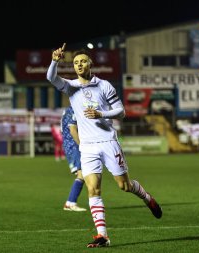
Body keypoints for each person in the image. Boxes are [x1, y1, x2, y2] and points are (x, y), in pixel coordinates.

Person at [47, 43, 162, 248]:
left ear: (90, 63)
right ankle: (103, 236)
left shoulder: (104, 85)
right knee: (93, 189)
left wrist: (101, 114)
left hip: (108, 142)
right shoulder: (71, 87)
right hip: (88, 147)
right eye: (75, 63)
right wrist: (55, 61)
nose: (79, 65)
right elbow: (51, 78)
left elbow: (121, 112)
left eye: (83, 61)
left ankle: (146, 197)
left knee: (124, 186)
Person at [60, 105, 87, 212]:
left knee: (84, 174)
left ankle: (70, 203)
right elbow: (72, 130)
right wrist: (82, 145)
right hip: (74, 145)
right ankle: (71, 203)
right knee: (82, 175)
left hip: (69, 144)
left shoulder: (67, 110)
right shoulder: (75, 109)